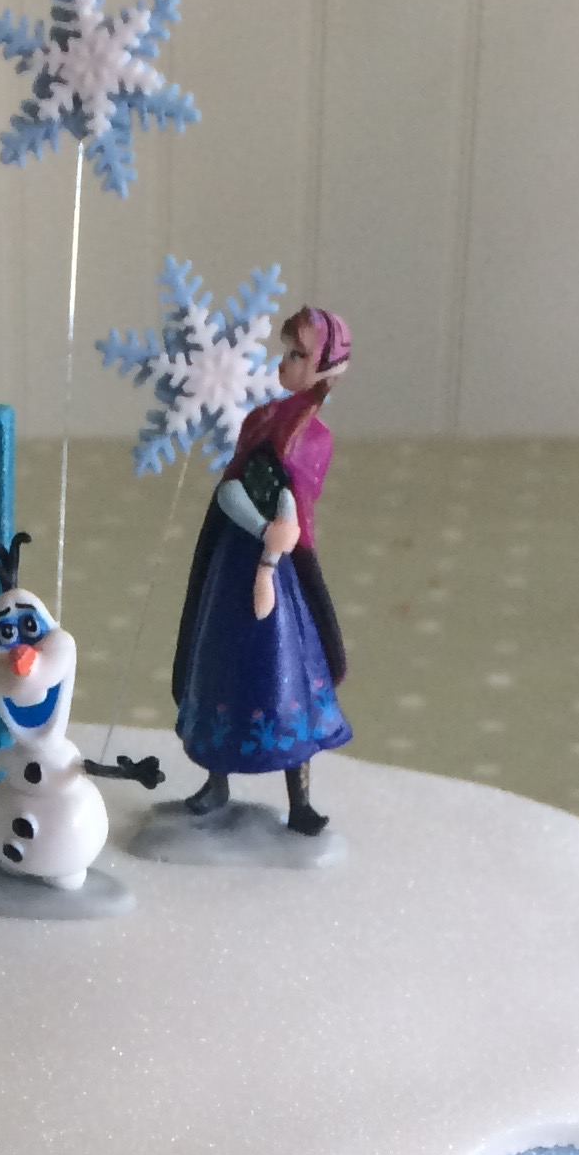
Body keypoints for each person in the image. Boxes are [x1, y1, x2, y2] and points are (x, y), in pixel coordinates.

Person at [168, 304, 354, 836]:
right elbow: (230, 484)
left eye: (298, 355)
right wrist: (255, 525)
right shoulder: (259, 420)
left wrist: (281, 539)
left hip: (283, 576)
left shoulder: (315, 439)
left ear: (323, 368)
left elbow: (298, 502)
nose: (285, 363)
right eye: (286, 352)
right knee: (221, 663)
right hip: (234, 562)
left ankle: (300, 799)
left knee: (287, 669)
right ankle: (215, 781)